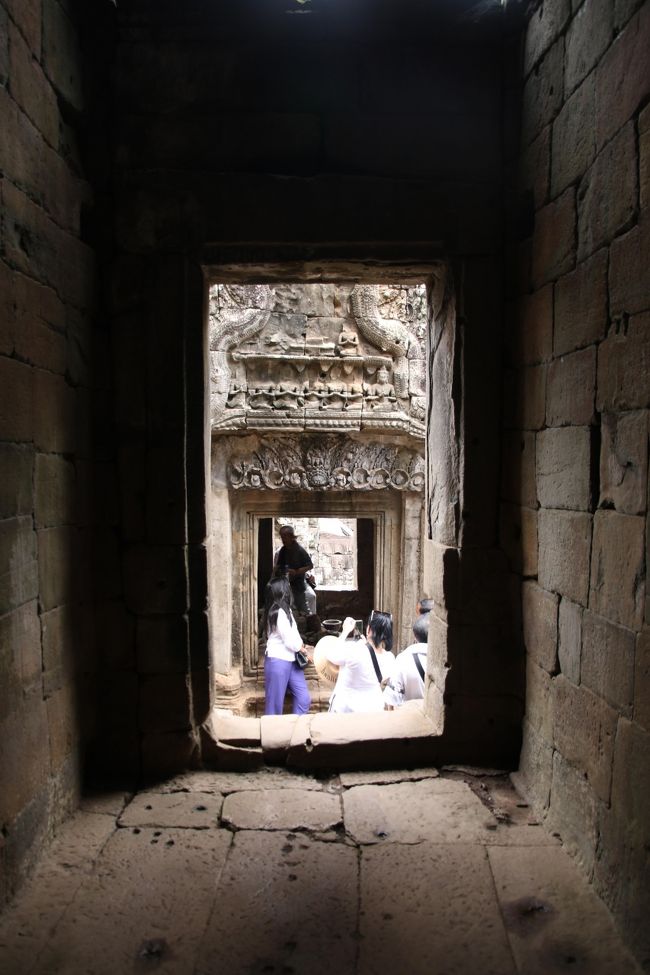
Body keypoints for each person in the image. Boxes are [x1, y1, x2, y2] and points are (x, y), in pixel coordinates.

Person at [324, 611, 396, 714]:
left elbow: (331, 655)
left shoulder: (354, 649)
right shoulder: (390, 658)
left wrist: (345, 631)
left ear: (368, 629)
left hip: (346, 710)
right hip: (373, 709)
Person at [263, 577, 311, 716]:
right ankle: (273, 735)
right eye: (287, 587)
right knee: (274, 707)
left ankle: (296, 730)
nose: (290, 589)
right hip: (278, 660)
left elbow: (293, 634)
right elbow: (290, 641)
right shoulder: (277, 613)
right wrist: (303, 649)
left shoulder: (286, 610)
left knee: (304, 699)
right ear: (283, 591)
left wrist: (301, 644)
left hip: (291, 660)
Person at [383, 612, 429, 709]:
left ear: (415, 637)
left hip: (411, 717)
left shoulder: (403, 659)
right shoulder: (446, 661)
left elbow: (391, 700)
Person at [273, 524, 317, 616]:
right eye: (282, 537)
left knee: (303, 607)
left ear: (291, 537)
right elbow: (279, 566)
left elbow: (310, 565)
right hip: (286, 582)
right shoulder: (283, 550)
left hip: (298, 583)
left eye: (285, 537)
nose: (283, 540)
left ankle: (311, 624)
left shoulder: (300, 550)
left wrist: (297, 572)